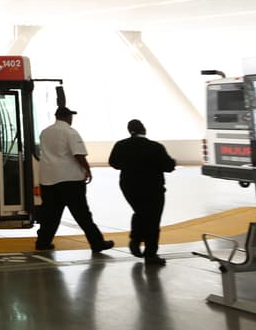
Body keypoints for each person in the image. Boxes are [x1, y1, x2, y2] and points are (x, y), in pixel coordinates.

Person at [35, 106, 114, 255]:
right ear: (67, 117)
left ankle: (43, 243)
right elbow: (78, 154)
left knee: (51, 214)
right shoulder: (70, 132)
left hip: (48, 179)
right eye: (71, 116)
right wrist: (87, 170)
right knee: (82, 214)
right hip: (69, 180)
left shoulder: (45, 133)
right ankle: (97, 243)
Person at [108, 119, 175, 266]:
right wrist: (172, 162)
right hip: (152, 187)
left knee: (140, 212)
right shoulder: (155, 147)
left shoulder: (121, 145)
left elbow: (114, 163)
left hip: (129, 186)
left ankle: (136, 239)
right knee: (153, 219)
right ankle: (150, 254)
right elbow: (168, 166)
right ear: (144, 130)